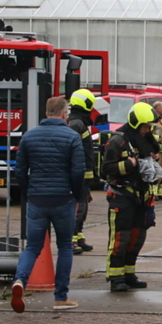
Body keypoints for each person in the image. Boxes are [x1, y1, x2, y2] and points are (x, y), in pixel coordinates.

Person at [10, 97, 86, 313]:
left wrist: (28, 193)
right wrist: (76, 194)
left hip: (37, 199)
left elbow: (20, 170)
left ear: (46, 112)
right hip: (63, 199)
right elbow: (78, 171)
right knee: (64, 247)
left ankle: (20, 281)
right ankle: (60, 297)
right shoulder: (72, 137)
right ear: (64, 114)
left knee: (33, 247)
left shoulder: (29, 136)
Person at [101, 102, 160, 291]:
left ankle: (128, 273)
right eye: (145, 126)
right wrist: (128, 164)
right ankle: (115, 278)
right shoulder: (117, 141)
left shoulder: (143, 141)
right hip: (122, 196)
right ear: (136, 124)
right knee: (121, 237)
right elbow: (105, 170)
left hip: (141, 196)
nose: (147, 130)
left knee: (137, 237)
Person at [66, 89, 97, 254]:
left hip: (84, 174)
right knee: (77, 208)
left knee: (83, 207)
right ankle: (71, 241)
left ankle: (78, 237)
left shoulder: (79, 122)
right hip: (79, 174)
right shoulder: (76, 123)